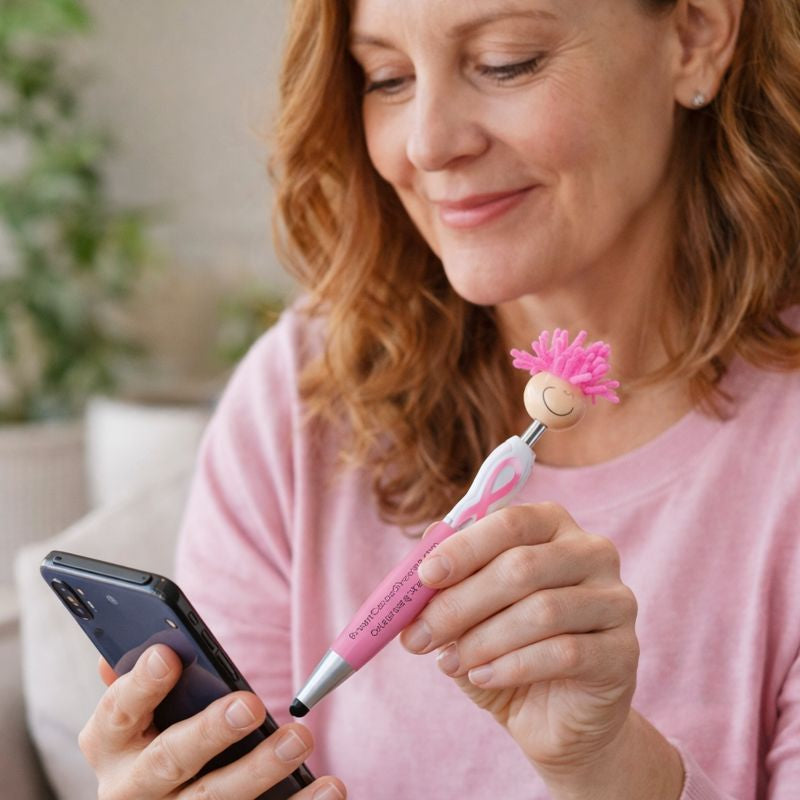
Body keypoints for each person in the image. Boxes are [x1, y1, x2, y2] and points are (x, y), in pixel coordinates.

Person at [76, 0, 800, 797]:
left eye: (507, 61)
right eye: (386, 77)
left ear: (696, 34)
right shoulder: (300, 393)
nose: (426, 143)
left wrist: (611, 769)